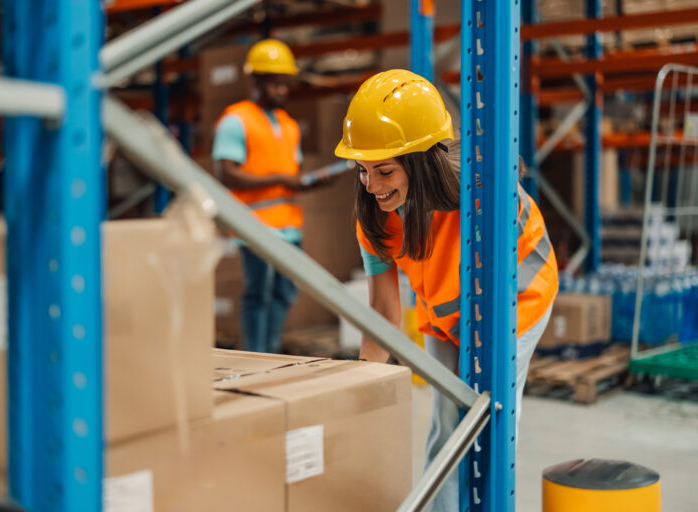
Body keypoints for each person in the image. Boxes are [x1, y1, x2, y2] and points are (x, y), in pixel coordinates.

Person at [334, 69, 559, 510]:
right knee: (446, 421)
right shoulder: (374, 218)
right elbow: (382, 308)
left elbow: (498, 282)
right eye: (362, 171)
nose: (372, 186)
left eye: (384, 171)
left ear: (420, 162)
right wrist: (365, 385)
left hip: (516, 302)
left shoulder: (483, 191)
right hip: (444, 313)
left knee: (488, 420)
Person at [212, 39, 318, 354]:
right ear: (256, 80)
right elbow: (225, 172)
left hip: (288, 224)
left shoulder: (289, 125)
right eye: (275, 84)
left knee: (285, 291)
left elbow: (290, 172)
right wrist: (281, 179)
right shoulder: (236, 120)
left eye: (285, 84)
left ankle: (269, 350)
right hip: (254, 223)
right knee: (260, 292)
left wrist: (301, 182)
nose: (282, 91)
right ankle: (258, 355)